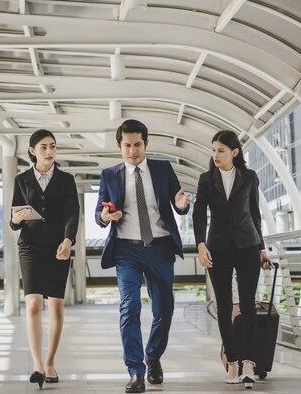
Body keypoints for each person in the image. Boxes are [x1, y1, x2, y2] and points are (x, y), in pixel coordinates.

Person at [95, 119, 190, 393]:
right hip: (127, 249)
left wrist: (182, 205)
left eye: (137, 144)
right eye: (127, 145)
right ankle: (135, 370)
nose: (133, 151)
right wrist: (104, 216)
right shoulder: (110, 174)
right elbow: (99, 212)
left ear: (146, 144)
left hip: (160, 248)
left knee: (164, 310)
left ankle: (153, 356)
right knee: (129, 309)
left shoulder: (162, 169)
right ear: (119, 146)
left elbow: (178, 200)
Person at [192, 130, 272, 390]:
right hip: (218, 248)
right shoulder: (206, 179)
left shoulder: (249, 177)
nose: (215, 155)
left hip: (247, 245)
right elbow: (199, 215)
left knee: (248, 305)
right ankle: (233, 362)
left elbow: (255, 214)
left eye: (221, 150)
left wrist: (262, 248)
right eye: (213, 149)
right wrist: (201, 244)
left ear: (234, 152)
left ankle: (249, 362)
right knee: (224, 306)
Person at [9, 129, 80, 389]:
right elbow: (14, 218)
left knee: (57, 307)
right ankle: (37, 365)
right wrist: (16, 218)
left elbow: (73, 213)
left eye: (52, 146)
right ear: (32, 151)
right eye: (43, 147)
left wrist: (68, 240)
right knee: (33, 305)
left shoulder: (66, 180)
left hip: (58, 248)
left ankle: (50, 362)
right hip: (29, 247)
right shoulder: (21, 180)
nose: (49, 152)